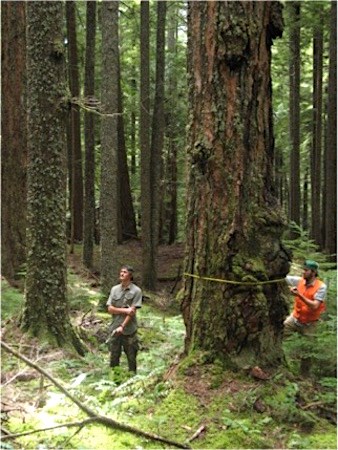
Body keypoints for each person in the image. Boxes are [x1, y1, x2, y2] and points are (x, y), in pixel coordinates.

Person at [106, 265, 142, 373]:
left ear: (130, 275)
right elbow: (110, 309)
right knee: (114, 357)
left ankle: (132, 380)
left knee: (131, 358)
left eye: (125, 272)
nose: (121, 274)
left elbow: (132, 312)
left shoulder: (136, 291)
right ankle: (114, 381)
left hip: (129, 331)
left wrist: (122, 326)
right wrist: (125, 311)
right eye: (121, 271)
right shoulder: (114, 289)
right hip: (114, 329)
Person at [284, 260, 327, 336]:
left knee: (310, 346)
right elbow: (284, 278)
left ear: (313, 272)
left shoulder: (321, 287)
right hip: (294, 319)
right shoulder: (299, 281)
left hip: (310, 324)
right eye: (304, 270)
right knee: (282, 330)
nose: (303, 272)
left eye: (306, 270)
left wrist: (299, 295)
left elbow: (315, 305)